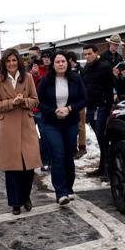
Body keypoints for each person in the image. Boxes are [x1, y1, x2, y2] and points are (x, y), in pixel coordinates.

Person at [0, 48, 41, 215]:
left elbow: (35, 100)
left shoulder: (27, 77)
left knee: (28, 166)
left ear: (18, 61)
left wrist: (23, 101)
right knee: (12, 168)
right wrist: (13, 102)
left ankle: (25, 196)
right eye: (8, 61)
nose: (11, 64)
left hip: (26, 125)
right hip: (7, 128)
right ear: (4, 63)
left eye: (14, 60)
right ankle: (15, 203)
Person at [37, 51, 87, 205]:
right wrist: (54, 111)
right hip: (51, 123)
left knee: (68, 156)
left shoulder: (76, 79)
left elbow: (83, 99)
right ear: (52, 64)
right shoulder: (46, 80)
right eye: (57, 62)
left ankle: (69, 188)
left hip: (70, 122)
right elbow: (39, 101)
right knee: (58, 155)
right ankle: (61, 192)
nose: (61, 64)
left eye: (63, 61)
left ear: (68, 63)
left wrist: (69, 109)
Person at [82, 43, 114, 178]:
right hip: (90, 107)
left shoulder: (104, 66)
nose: (87, 56)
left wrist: (109, 103)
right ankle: (102, 167)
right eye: (85, 54)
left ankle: (107, 169)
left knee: (102, 137)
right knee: (99, 137)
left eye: (90, 53)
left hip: (102, 106)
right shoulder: (85, 69)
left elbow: (111, 86)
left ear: (96, 53)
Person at [67, 51, 87, 159]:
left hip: (79, 102)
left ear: (70, 60)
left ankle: (82, 147)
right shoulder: (65, 71)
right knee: (72, 125)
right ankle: (73, 148)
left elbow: (84, 86)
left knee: (80, 125)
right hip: (69, 103)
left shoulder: (81, 71)